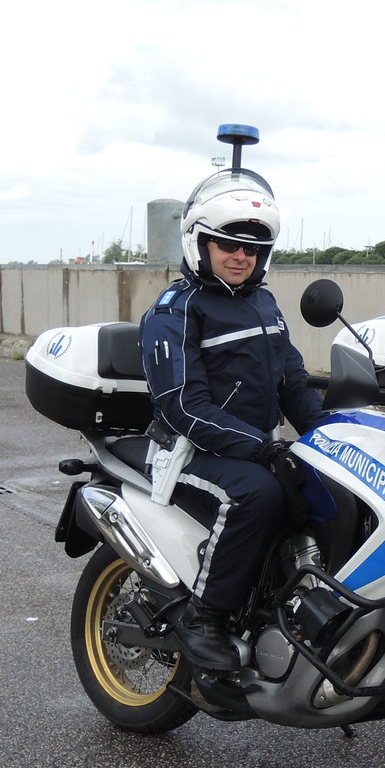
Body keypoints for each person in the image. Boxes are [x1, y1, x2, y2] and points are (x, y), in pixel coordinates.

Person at [139, 165, 322, 673]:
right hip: (187, 452)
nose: (241, 256)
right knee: (258, 493)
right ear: (202, 244)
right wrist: (264, 450)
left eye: (253, 248)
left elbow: (295, 386)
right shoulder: (176, 309)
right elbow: (183, 406)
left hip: (251, 446)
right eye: (228, 244)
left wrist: (334, 436)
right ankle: (206, 618)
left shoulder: (263, 303)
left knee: (327, 481)